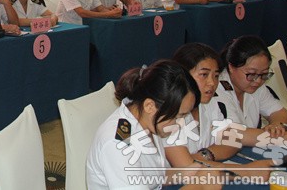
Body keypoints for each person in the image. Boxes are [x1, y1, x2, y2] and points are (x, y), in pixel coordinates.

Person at [87, 60, 211, 189]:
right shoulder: (118, 142)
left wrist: (184, 173)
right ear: (149, 106)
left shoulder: (147, 119)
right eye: (177, 117)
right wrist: (199, 187)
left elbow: (152, 176)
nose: (181, 124)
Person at [165, 43, 276, 180]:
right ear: (182, 76)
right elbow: (188, 168)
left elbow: (233, 140)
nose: (212, 83)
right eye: (204, 75)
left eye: (216, 76)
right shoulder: (168, 112)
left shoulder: (209, 103)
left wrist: (206, 154)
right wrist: (246, 171)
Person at [213, 36, 287, 139]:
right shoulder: (215, 89)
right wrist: (282, 137)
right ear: (231, 67)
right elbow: (235, 133)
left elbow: (280, 112)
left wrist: (276, 126)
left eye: (264, 74)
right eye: (251, 74)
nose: (258, 81)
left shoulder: (256, 85)